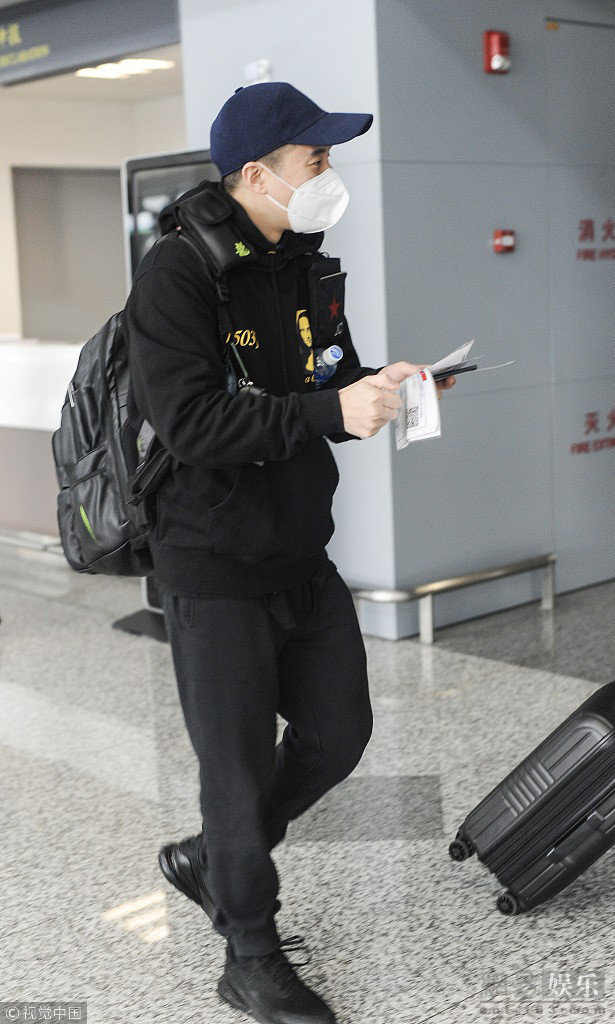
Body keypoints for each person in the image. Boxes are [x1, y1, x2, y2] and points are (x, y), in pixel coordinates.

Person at [125, 82, 455, 1024]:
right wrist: (325, 409)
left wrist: (380, 387)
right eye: (316, 159)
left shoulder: (302, 264)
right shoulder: (177, 273)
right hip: (212, 563)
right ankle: (250, 955)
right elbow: (190, 424)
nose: (328, 173)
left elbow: (322, 382)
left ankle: (216, 857)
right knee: (231, 774)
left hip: (300, 553)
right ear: (257, 174)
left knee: (337, 735)